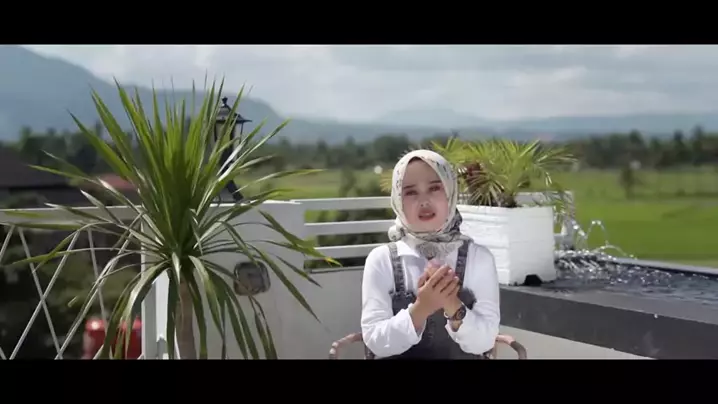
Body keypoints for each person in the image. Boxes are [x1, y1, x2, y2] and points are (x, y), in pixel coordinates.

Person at [360, 149, 500, 359]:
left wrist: (451, 303)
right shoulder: (381, 260)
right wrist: (422, 307)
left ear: (450, 193)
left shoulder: (479, 259)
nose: (424, 201)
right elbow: (376, 341)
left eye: (434, 188)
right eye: (411, 192)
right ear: (398, 200)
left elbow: (485, 342)